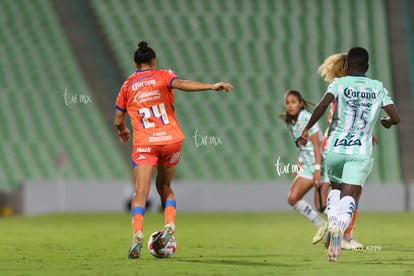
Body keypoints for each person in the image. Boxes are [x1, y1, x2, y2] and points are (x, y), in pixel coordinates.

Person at [114, 41, 233, 259]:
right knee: (165, 185)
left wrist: (122, 130)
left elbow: (118, 119)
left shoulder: (127, 86)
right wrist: (211, 86)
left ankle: (137, 232)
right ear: (154, 61)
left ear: (134, 63)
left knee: (141, 191)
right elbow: (183, 84)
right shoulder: (163, 75)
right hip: (171, 140)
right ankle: (169, 223)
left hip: (145, 143)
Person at [298, 47, 400, 262]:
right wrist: (387, 122)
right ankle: (341, 231)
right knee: (351, 195)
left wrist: (306, 128)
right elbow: (395, 117)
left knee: (335, 188)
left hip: (334, 148)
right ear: (368, 67)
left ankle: (333, 226)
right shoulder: (377, 87)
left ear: (346, 67)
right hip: (360, 151)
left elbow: (323, 105)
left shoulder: (338, 84)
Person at [318, 53, 363, 250]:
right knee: (353, 190)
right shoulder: (349, 85)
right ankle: (345, 235)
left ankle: (335, 227)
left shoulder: (338, 84)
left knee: (339, 189)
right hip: (344, 142)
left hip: (332, 139)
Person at [280, 90, 330, 244]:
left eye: (293, 102)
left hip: (319, 164)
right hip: (308, 165)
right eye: (287, 102)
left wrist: (317, 170)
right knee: (293, 198)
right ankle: (321, 225)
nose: (290, 105)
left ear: (301, 103)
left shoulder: (306, 118)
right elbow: (302, 145)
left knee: (322, 206)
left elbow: (316, 145)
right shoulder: (291, 122)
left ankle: (343, 226)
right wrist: (300, 162)